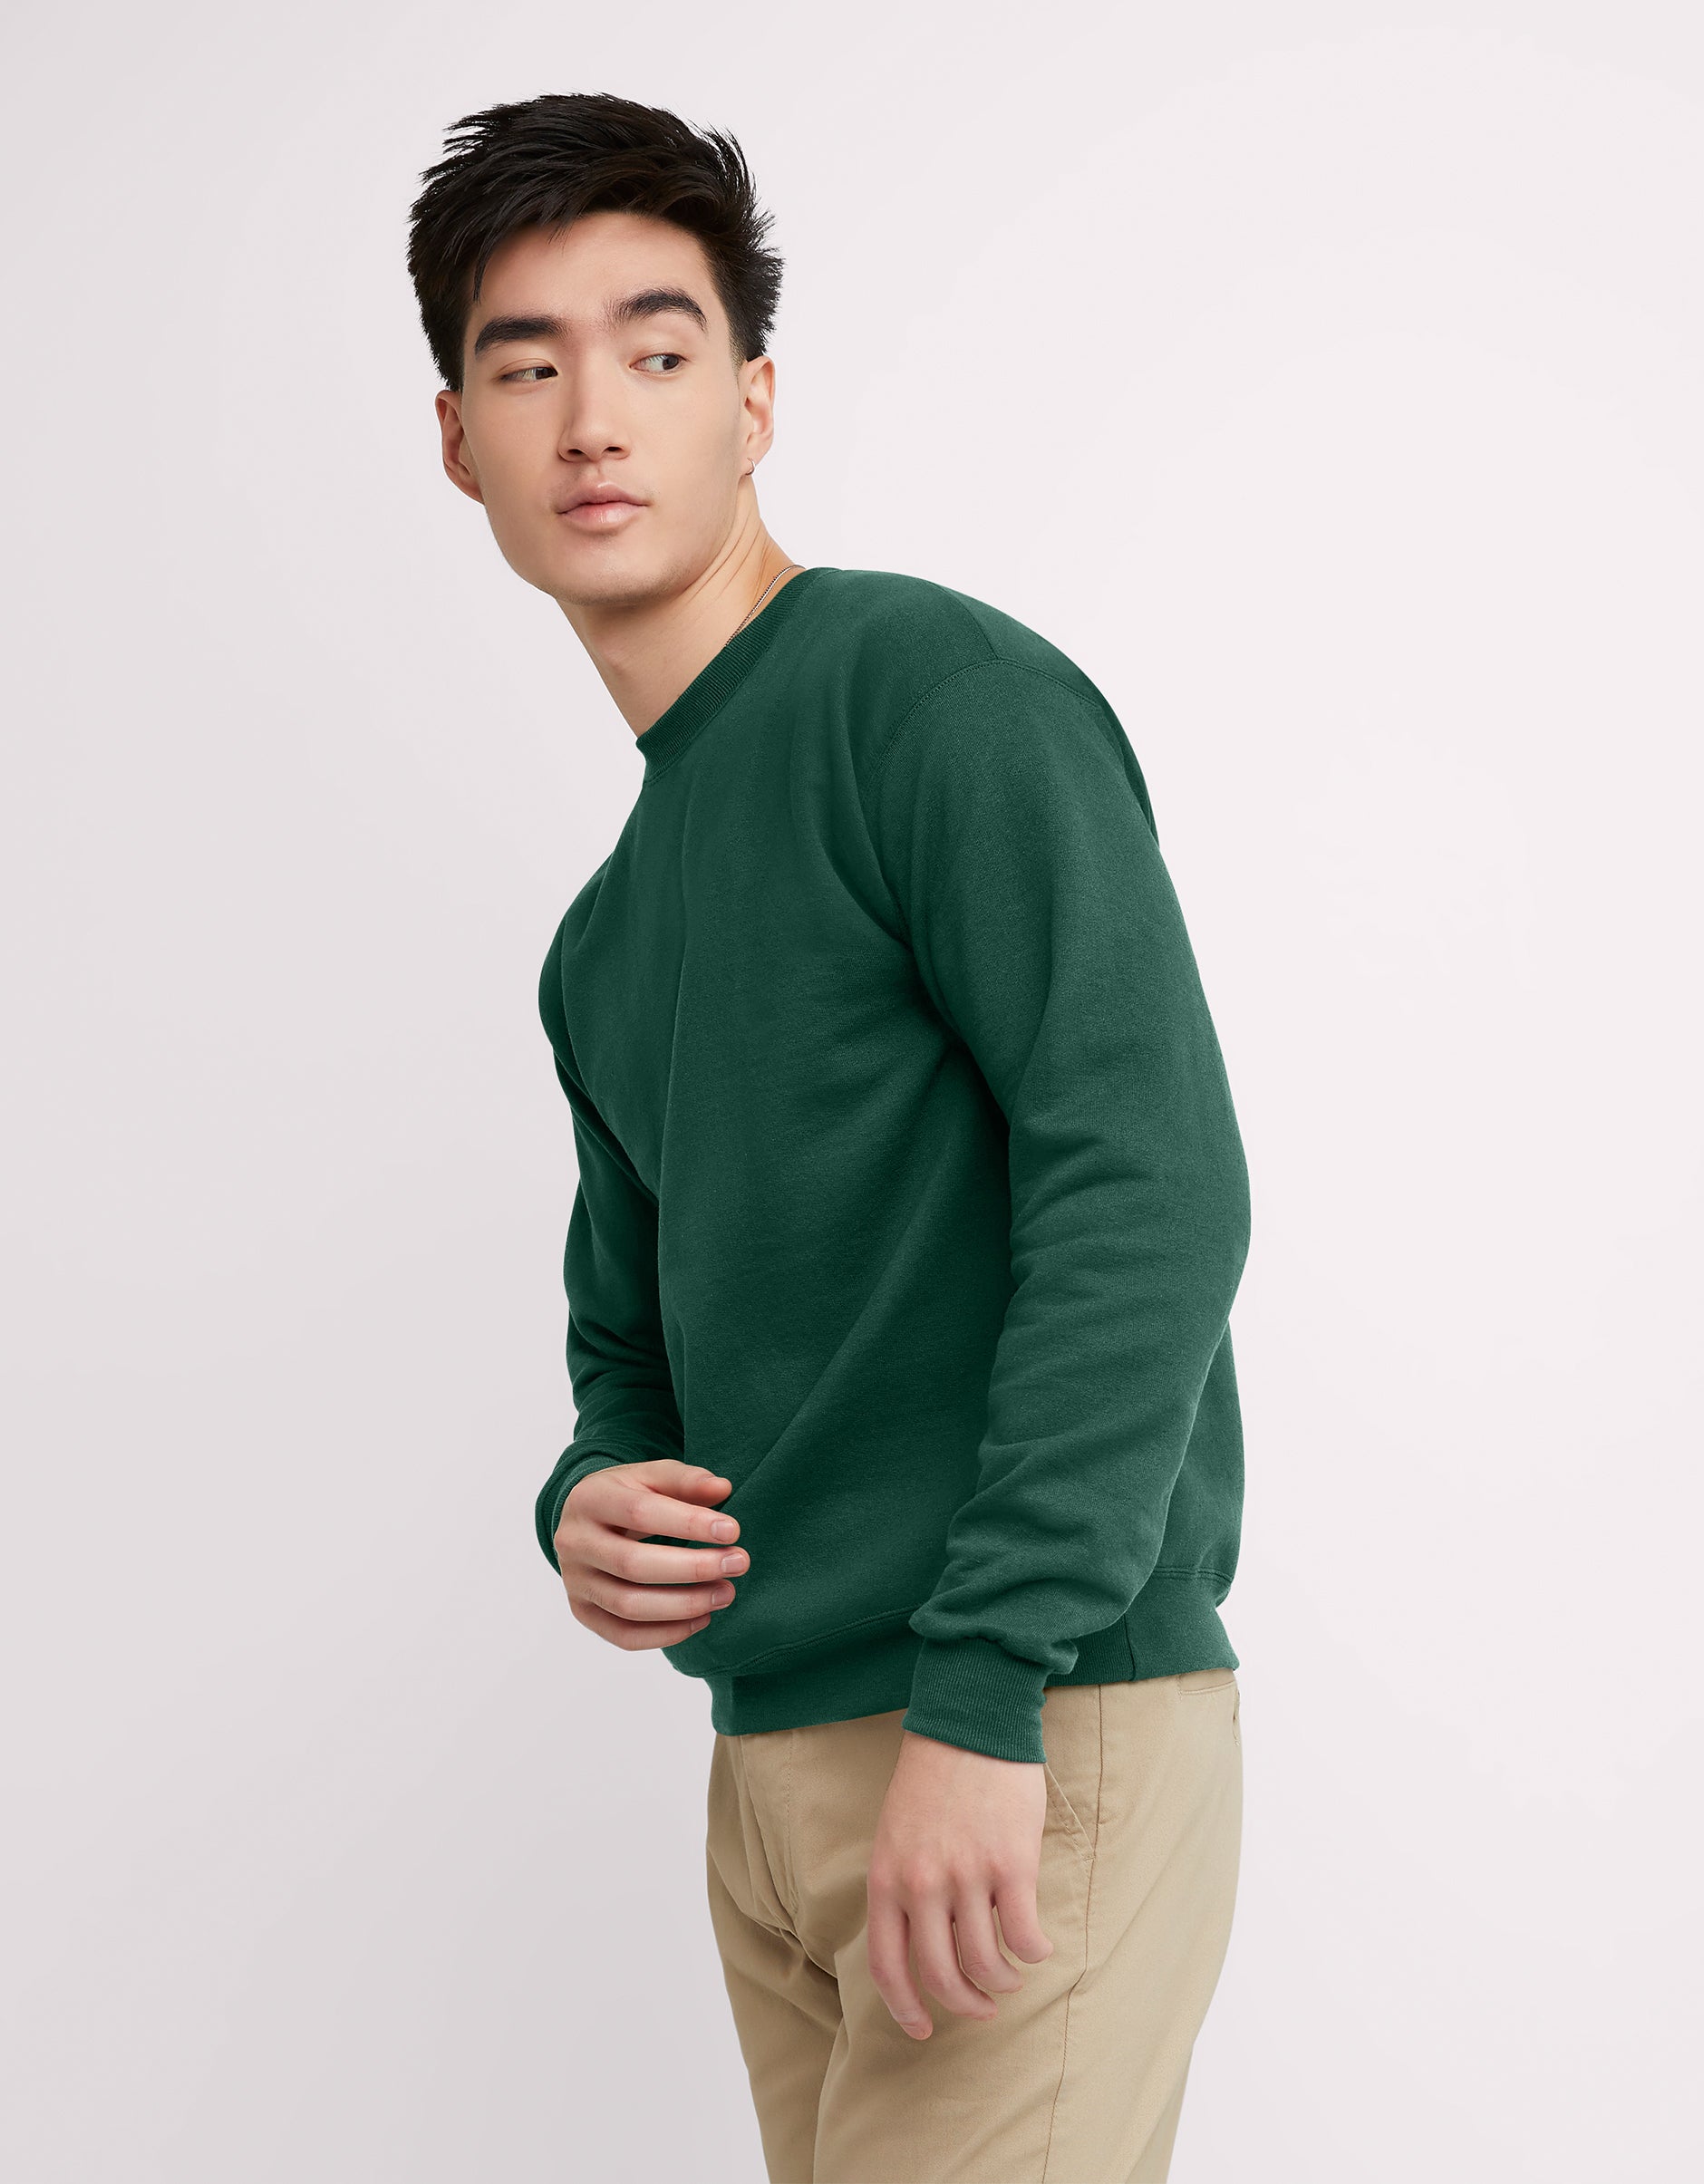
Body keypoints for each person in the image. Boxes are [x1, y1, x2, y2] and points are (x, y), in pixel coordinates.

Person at [408, 90, 1252, 2184]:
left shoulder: (922, 694)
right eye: (525, 364)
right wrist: (586, 1495)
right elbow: (632, 1349)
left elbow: (1146, 1180)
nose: (592, 417)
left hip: (1013, 1723)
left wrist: (982, 1689)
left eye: (655, 347)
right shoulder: (605, 938)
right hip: (773, 1770)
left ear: (754, 401)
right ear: (458, 441)